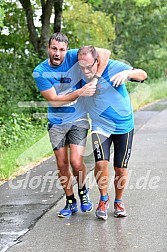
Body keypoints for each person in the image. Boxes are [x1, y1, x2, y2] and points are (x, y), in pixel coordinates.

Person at [33, 33, 111, 218]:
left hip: (78, 119)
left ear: (67, 50)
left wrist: (95, 80)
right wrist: (80, 91)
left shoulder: (74, 56)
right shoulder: (40, 71)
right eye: (54, 49)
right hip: (56, 122)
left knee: (76, 162)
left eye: (61, 49)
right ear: (48, 48)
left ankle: (83, 191)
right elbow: (54, 100)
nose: (57, 53)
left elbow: (105, 52)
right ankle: (70, 201)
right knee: (62, 164)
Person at [77, 46, 147, 220]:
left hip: (124, 125)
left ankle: (119, 201)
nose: (85, 71)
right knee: (101, 164)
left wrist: (128, 74)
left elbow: (143, 74)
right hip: (100, 126)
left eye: (89, 67)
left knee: (120, 168)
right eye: (82, 67)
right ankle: (103, 199)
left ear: (98, 61)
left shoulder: (113, 66)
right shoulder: (78, 75)